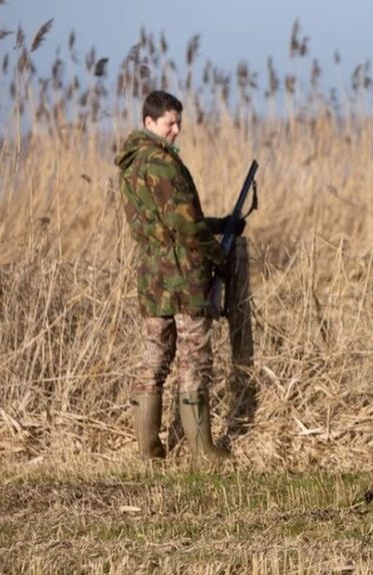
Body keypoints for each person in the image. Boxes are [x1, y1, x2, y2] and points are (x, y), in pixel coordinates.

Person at [114, 90, 242, 463]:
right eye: (170, 123)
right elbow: (185, 225)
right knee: (195, 359)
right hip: (184, 276)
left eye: (179, 122)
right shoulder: (163, 164)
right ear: (149, 123)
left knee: (154, 358)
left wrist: (220, 223)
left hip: (153, 275)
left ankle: (149, 451)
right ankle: (203, 452)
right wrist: (219, 255)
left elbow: (166, 220)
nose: (176, 130)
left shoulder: (131, 164)